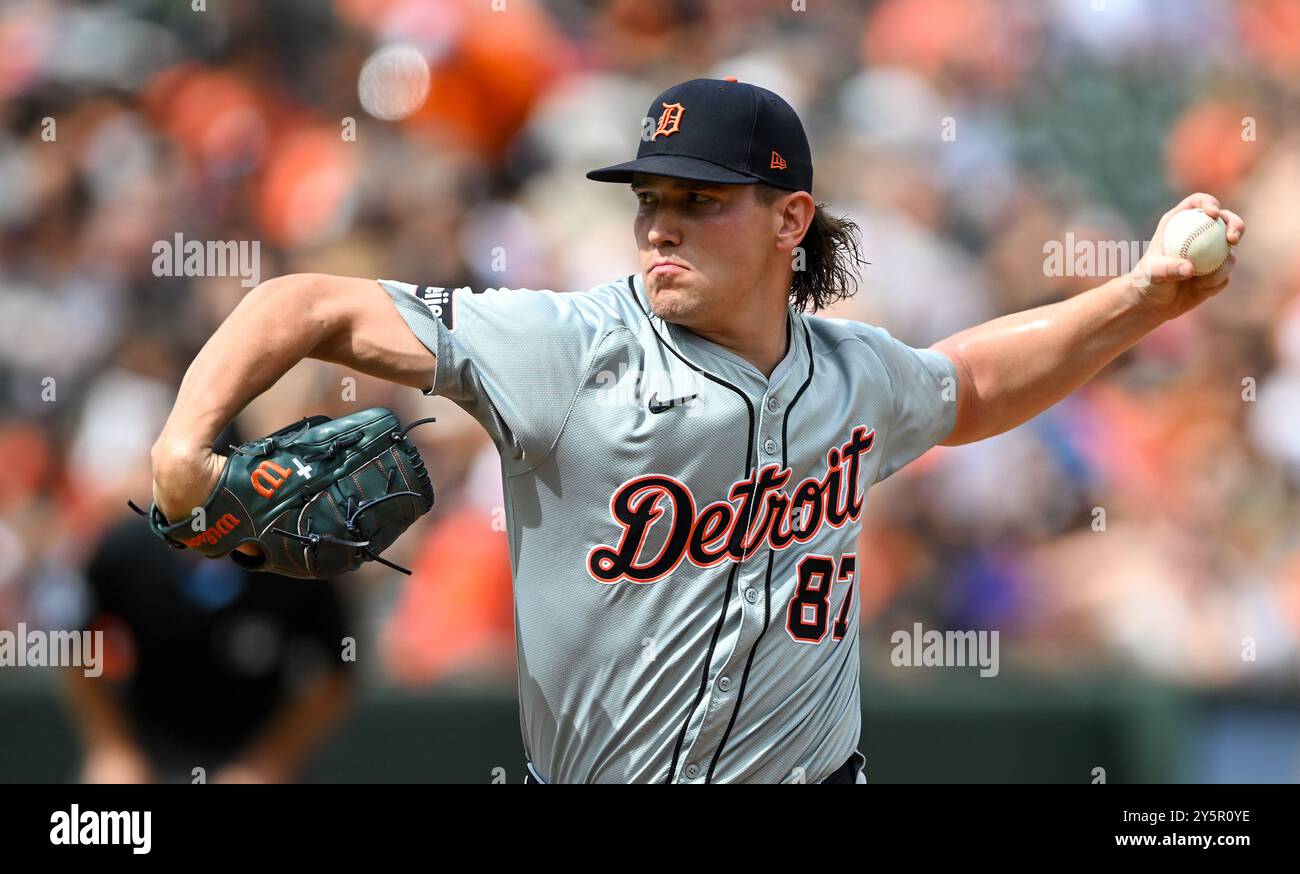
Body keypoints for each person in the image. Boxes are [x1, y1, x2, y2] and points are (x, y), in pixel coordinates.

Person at [149, 78, 1243, 783]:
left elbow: (976, 381)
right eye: (649, 196)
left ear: (788, 220)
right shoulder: (563, 347)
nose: (660, 220)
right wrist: (184, 443)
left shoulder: (853, 378)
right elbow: (306, 306)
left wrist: (1139, 300)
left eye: (700, 198)